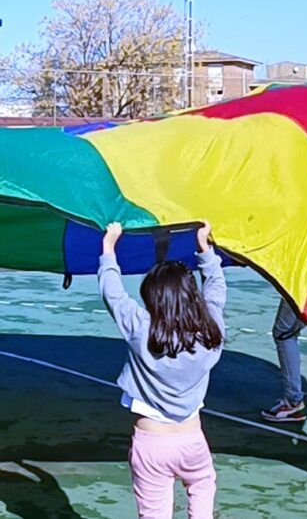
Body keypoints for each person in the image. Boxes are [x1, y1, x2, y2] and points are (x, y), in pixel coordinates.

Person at [98, 221, 224, 519]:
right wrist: (204, 248)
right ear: (192, 296)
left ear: (152, 300)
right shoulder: (211, 334)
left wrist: (108, 246)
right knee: (203, 485)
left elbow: (113, 294)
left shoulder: (141, 330)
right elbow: (216, 289)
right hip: (192, 437)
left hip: (152, 443)